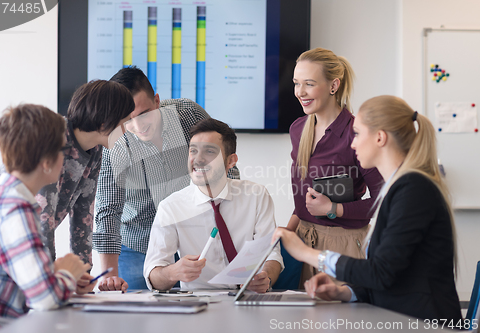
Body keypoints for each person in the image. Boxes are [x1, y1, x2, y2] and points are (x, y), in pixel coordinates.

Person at [274, 95, 462, 321]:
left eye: (357, 133)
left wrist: (306, 253)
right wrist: (344, 291)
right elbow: (390, 272)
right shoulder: (399, 187)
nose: (352, 143)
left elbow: (381, 273)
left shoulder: (414, 189)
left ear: (380, 138)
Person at [94, 67, 239, 290]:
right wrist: (109, 277)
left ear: (157, 101)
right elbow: (108, 210)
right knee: (138, 320)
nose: (138, 126)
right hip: (138, 243)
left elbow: (223, 162)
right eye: (127, 119)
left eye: (144, 114)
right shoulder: (115, 143)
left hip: (195, 239)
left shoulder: (186, 114)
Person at [0, 80, 135, 289]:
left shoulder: (97, 150)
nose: (126, 131)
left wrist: (84, 274)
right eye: (124, 122)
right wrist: (53, 280)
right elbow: (43, 220)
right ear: (104, 123)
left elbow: (85, 214)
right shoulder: (54, 140)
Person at [0, 105, 93, 332]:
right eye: (62, 149)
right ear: (46, 161)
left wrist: (55, 272)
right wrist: (66, 274)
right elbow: (45, 298)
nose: (66, 157)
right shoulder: (15, 209)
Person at [144, 118, 283, 292]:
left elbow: (272, 254)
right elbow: (153, 275)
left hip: (250, 298)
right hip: (199, 303)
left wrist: (266, 277)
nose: (198, 159)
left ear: (231, 161)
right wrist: (173, 272)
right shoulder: (171, 207)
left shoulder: (256, 195)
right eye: (193, 150)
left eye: (210, 151)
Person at [287, 48, 383, 285]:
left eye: (309, 84)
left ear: (333, 86)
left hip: (343, 245)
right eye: (296, 83)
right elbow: (304, 197)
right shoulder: (298, 129)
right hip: (302, 241)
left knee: (339, 321)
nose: (300, 92)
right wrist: (286, 233)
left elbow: (384, 200)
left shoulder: (356, 133)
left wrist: (334, 208)